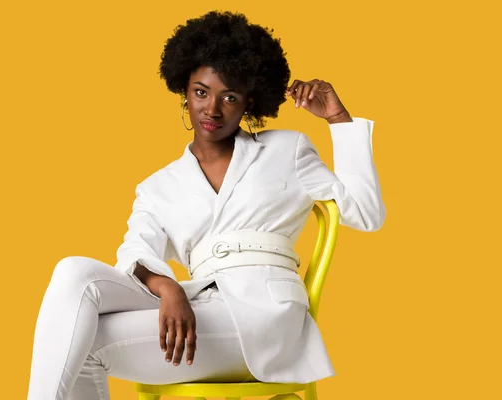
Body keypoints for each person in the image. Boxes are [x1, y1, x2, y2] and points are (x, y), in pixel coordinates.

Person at [27, 10, 386, 400]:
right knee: (72, 274)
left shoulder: (287, 149)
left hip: (264, 315)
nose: (212, 109)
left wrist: (338, 119)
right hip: (197, 303)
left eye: (229, 96)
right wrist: (169, 289)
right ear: (184, 89)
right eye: (201, 91)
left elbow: (366, 214)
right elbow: (135, 252)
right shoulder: (158, 186)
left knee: (79, 342)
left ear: (250, 102)